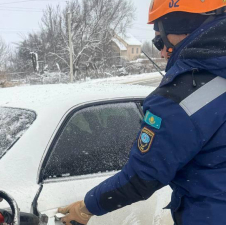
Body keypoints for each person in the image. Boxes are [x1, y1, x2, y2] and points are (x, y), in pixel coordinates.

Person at [59, 1, 226, 225]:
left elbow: (142, 177)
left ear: (180, 24)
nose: (159, 49)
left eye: (159, 39)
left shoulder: (178, 99)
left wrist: (86, 206)